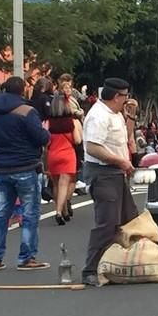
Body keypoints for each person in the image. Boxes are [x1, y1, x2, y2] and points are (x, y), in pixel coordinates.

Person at [0, 76, 51, 271]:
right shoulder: (27, 111)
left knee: (1, 213)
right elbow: (40, 137)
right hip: (26, 167)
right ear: (22, 91)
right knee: (30, 213)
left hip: (1, 168)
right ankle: (26, 258)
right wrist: (45, 134)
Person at [82, 77, 138, 287]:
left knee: (127, 218)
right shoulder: (98, 116)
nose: (127, 100)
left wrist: (131, 115)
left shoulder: (115, 114)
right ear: (116, 96)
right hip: (103, 172)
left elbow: (126, 137)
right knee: (106, 222)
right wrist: (121, 162)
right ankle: (90, 269)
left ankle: (116, 264)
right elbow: (93, 148)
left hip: (116, 172)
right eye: (125, 96)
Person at [47, 93, 82, 225]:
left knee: (56, 184)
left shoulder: (48, 123)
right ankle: (59, 212)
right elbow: (78, 140)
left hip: (53, 154)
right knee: (64, 184)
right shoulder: (71, 122)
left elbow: (46, 142)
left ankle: (64, 211)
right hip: (67, 154)